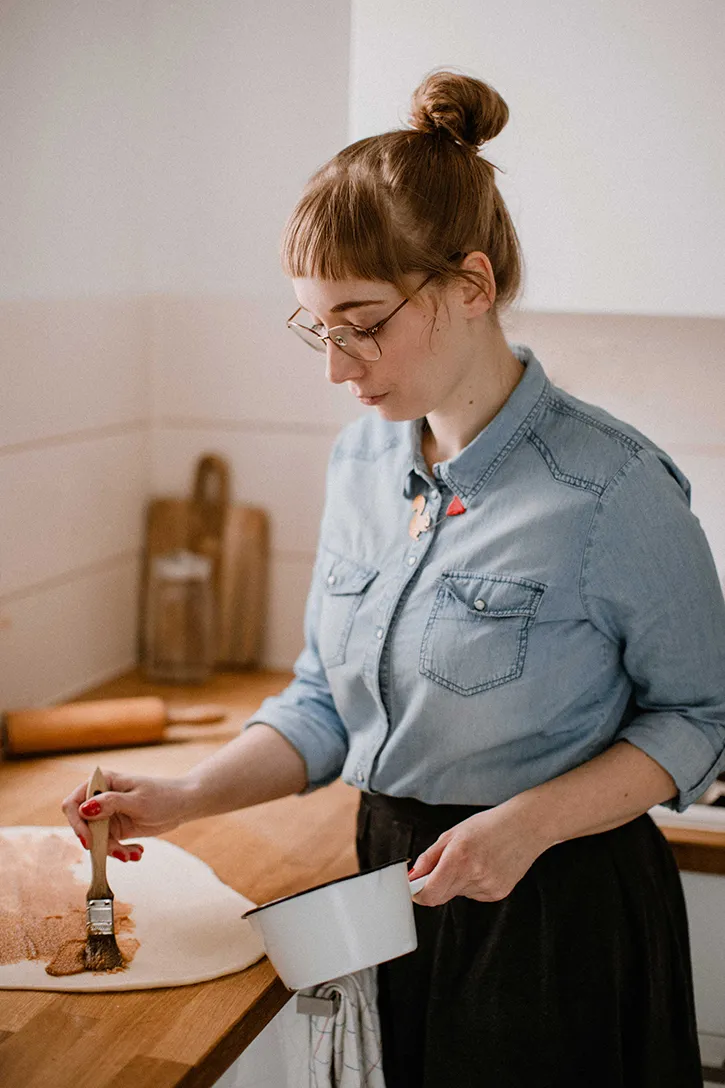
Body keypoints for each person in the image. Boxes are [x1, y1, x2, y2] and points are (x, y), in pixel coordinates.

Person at [64, 70, 725, 1087]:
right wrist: (186, 794)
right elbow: (325, 702)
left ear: (470, 284)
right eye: (316, 326)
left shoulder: (612, 488)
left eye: (361, 321)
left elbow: (699, 712)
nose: (337, 365)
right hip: (392, 890)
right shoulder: (360, 463)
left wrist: (528, 823)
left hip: (557, 907)